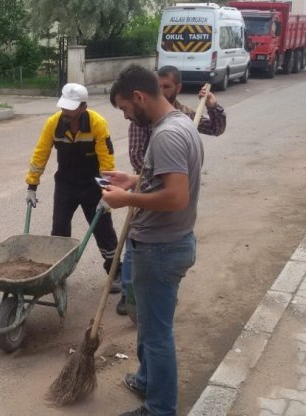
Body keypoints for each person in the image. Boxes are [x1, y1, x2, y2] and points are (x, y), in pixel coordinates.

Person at [102, 64, 203, 416]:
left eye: (126, 109)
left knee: (157, 334)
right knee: (147, 322)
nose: (127, 117)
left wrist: (126, 200)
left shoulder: (166, 135)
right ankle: (147, 380)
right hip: (165, 244)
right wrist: (133, 180)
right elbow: (165, 182)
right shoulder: (177, 124)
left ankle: (160, 409)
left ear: (140, 97)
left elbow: (176, 197)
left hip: (160, 250)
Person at [116, 65, 225, 315]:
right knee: (134, 238)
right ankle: (128, 292)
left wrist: (211, 105)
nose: (162, 91)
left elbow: (216, 128)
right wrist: (137, 182)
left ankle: (146, 296)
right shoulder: (144, 119)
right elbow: (136, 156)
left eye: (167, 87)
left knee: (155, 330)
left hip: (161, 212)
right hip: (148, 187)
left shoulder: (179, 120)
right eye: (159, 85)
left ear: (178, 88)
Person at [25, 83, 120, 293]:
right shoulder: (54, 123)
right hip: (66, 183)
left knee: (103, 229)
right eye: (64, 107)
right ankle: (58, 273)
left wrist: (107, 193)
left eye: (71, 108)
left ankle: (116, 273)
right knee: (59, 230)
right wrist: (32, 185)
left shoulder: (97, 124)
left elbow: (107, 162)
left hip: (93, 184)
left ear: (83, 107)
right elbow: (40, 154)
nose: (65, 112)